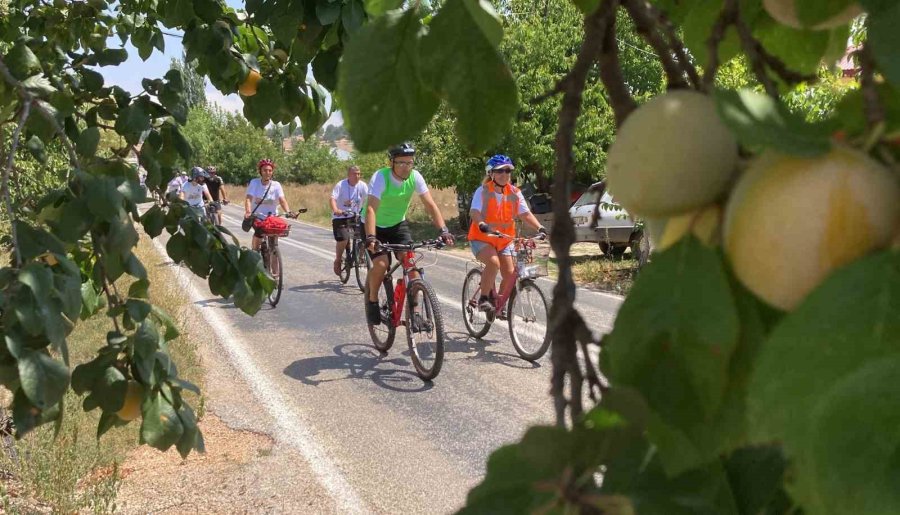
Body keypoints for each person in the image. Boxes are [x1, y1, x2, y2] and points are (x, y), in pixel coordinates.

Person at [364, 142, 454, 326]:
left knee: (412, 266)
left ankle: (416, 313)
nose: (406, 167)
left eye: (410, 162)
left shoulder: (415, 176)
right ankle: (372, 300)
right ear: (392, 162)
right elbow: (371, 209)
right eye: (401, 162)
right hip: (374, 226)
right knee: (381, 264)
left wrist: (443, 230)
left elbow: (430, 205)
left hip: (397, 224)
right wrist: (371, 238)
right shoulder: (381, 177)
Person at [468, 154, 546, 315]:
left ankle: (499, 305)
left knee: (510, 275)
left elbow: (525, 214)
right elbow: (474, 211)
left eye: (508, 171)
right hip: (482, 238)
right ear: (491, 173)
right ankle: (484, 299)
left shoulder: (515, 192)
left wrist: (540, 228)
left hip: (504, 241)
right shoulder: (482, 191)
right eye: (500, 171)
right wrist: (481, 224)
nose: (504, 174)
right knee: (493, 263)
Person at [244, 158, 292, 251]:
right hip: (257, 216)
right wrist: (248, 212)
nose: (267, 173)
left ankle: (274, 253)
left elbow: (282, 200)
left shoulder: (276, 185)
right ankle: (255, 252)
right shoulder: (254, 182)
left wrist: (288, 211)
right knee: (259, 232)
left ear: (272, 172)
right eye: (265, 170)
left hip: (272, 217)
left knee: (276, 234)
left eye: (270, 170)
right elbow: (248, 198)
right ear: (260, 171)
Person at [330, 164, 369, 276]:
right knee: (344, 238)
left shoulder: (362, 185)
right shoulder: (341, 185)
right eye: (354, 174)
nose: (357, 176)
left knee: (366, 236)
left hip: (356, 216)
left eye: (359, 174)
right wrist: (336, 209)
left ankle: (361, 256)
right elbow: (332, 198)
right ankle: (338, 260)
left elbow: (369, 198)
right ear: (348, 175)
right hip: (340, 217)